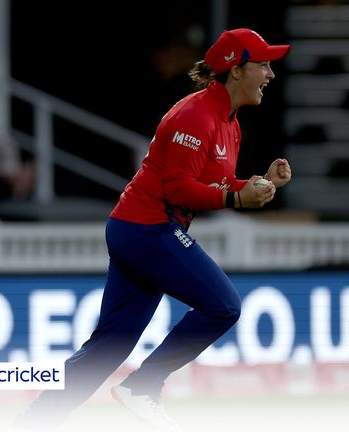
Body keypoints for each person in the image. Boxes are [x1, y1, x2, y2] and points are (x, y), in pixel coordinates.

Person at [15, 28, 293, 431]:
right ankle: (143, 385)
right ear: (235, 70)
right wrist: (235, 200)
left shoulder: (228, 122)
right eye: (263, 64)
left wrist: (257, 183)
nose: (270, 74)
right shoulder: (196, 115)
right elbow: (177, 188)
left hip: (141, 229)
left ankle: (34, 420)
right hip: (147, 229)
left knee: (107, 348)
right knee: (224, 306)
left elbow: (209, 182)